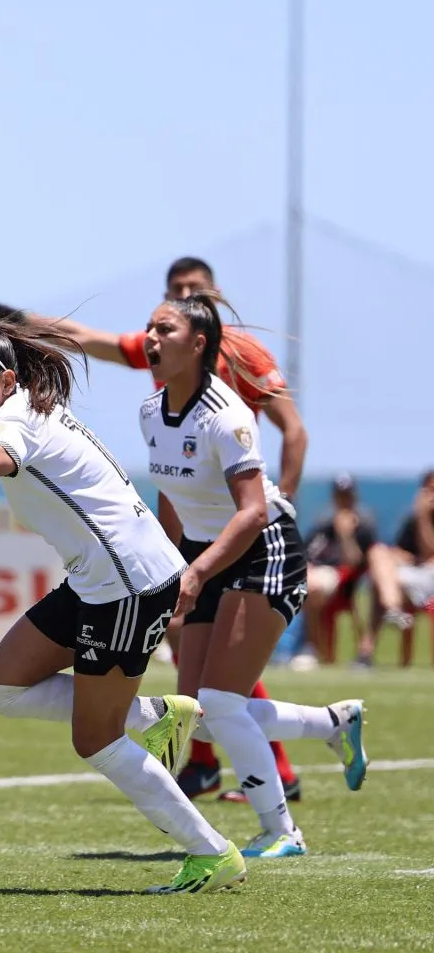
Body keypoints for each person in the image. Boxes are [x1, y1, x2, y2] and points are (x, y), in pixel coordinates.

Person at [0, 316, 246, 894]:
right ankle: (154, 715)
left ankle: (211, 852)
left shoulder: (15, 420)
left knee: (94, 739)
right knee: (0, 687)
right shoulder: (23, 410)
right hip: (99, 580)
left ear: (6, 379)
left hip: (128, 586)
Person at [0, 257, 305, 803]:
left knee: (220, 692)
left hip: (253, 534)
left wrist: (280, 499)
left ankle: (278, 793)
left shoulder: (239, 376)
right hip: (195, 536)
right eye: (171, 297)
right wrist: (0, 316)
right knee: (206, 689)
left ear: (204, 323)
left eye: (189, 297)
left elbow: (293, 435)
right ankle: (229, 762)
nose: (154, 333)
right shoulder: (153, 400)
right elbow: (79, 337)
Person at [139, 292, 368, 858]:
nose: (149, 339)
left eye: (163, 329)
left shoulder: (228, 416)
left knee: (218, 701)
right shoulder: (149, 414)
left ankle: (282, 830)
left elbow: (253, 513)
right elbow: (174, 496)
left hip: (263, 551)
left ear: (198, 345)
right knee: (202, 715)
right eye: (147, 328)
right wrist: (175, 569)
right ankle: (333, 724)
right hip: (207, 555)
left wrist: (195, 573)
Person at [292, 473, 379, 669]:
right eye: (340, 495)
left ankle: (310, 647)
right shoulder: (323, 523)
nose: (343, 500)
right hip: (318, 572)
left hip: (344, 578)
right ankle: (295, 648)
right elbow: (307, 554)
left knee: (312, 588)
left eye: (347, 495)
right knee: (303, 583)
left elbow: (356, 562)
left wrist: (345, 534)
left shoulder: (363, 524)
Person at [366, 470, 434, 634]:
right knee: (377, 552)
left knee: (379, 584)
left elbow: (429, 552)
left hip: (429, 580)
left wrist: (423, 518)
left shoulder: (422, 518)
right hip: (414, 576)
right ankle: (393, 609)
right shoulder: (413, 520)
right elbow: (400, 550)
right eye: (429, 490)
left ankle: (367, 649)